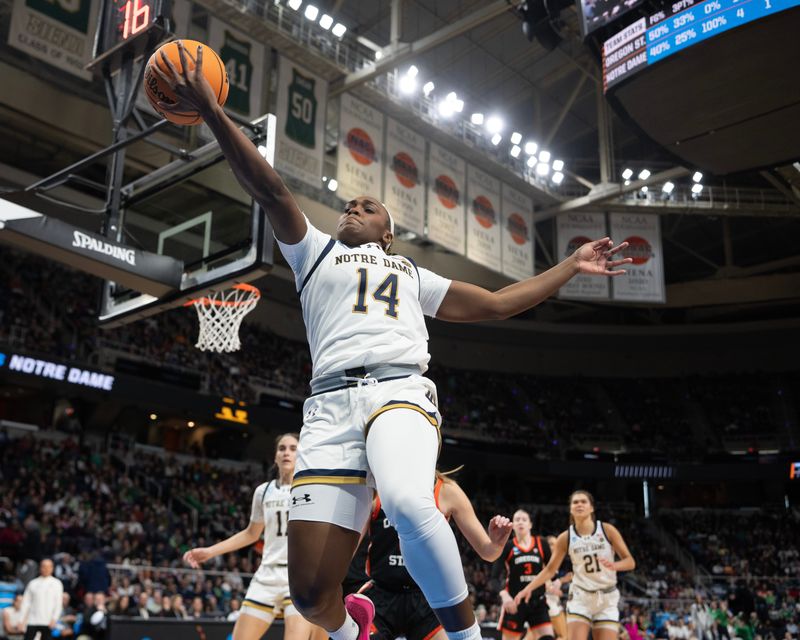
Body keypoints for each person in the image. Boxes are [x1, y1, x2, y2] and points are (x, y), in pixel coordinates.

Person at [154, 43, 632, 640]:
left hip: (398, 391)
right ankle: (354, 634)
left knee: (407, 502)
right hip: (327, 408)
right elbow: (271, 189)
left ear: (389, 230)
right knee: (307, 594)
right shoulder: (314, 253)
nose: (353, 206)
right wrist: (212, 112)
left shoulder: (413, 274)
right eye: (348, 204)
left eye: (367, 205)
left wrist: (569, 266)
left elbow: (499, 302)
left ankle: (464, 635)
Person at [184, 434, 320, 640]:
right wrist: (209, 551)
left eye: (293, 448)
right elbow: (251, 534)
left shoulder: (311, 489)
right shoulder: (263, 492)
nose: (286, 453)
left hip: (298, 577)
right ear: (275, 456)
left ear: (301, 454)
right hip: (266, 575)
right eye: (282, 448)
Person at [359, 471, 512, 640]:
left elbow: (489, 553)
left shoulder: (446, 490)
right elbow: (348, 552)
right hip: (381, 593)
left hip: (428, 598)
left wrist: (496, 544)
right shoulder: (378, 487)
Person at [514, 491, 635, 640]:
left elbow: (630, 562)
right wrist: (527, 589)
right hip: (581, 596)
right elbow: (550, 570)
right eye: (575, 502)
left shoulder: (607, 530)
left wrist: (614, 565)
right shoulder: (565, 537)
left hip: (607, 597)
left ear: (591, 508)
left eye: (583, 502)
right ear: (570, 509)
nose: (579, 504)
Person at [495, 510, 555, 640]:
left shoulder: (542, 544)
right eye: (517, 520)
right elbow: (495, 576)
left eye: (524, 519)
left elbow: (552, 569)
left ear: (530, 524)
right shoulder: (508, 546)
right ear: (512, 525)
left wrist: (552, 582)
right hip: (514, 603)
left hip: (537, 602)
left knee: (548, 638)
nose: (520, 522)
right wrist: (504, 596)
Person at [20, 559, 63, 640]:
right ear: (40, 568)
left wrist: (54, 619)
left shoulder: (57, 583)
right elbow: (26, 603)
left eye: (48, 567)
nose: (46, 569)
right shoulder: (33, 583)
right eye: (44, 566)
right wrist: (21, 620)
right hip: (32, 621)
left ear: (52, 568)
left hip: (48, 621)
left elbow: (58, 604)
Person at [545, 535, 572, 640]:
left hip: (547, 601)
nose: (554, 546)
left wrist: (562, 580)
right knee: (564, 636)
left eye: (556, 544)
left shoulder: (553, 562)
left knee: (536, 635)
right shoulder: (543, 560)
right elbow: (542, 580)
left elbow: (548, 581)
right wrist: (553, 589)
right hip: (548, 602)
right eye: (551, 544)